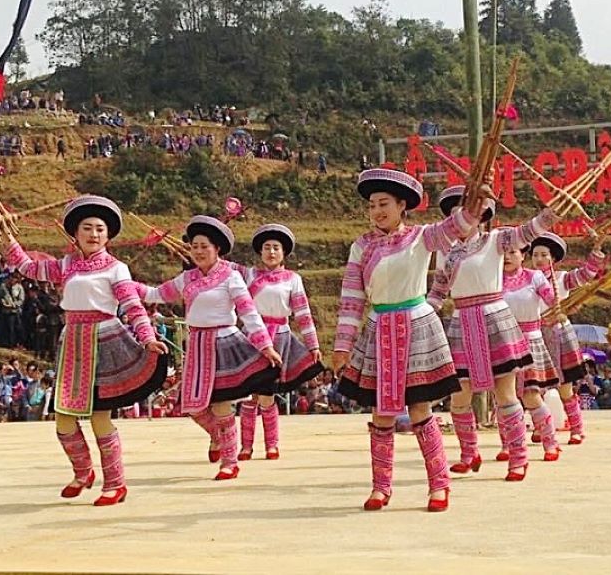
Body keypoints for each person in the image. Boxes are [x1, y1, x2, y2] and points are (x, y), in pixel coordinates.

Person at [1, 195, 168, 505]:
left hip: (105, 341)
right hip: (72, 343)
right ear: (75, 233)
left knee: (99, 418)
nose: (93, 234)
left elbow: (132, 306)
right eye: (87, 228)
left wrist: (147, 338)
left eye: (100, 229)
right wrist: (11, 243)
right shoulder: (65, 266)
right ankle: (83, 472)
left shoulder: (117, 269)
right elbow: (27, 267)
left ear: (108, 235)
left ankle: (115, 484)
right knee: (63, 419)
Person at [333, 169, 473, 512]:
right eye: (372, 205)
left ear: (401, 207)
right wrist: (341, 345)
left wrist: (476, 199)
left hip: (416, 326)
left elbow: (458, 226)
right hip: (379, 328)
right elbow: (352, 298)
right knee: (381, 414)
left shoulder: (422, 238)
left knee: (420, 410)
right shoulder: (361, 246)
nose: (377, 211)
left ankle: (439, 486)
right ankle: (381, 488)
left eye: (384, 204)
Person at [427, 185, 560, 482]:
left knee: (506, 394)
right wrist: (420, 316)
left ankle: (518, 457)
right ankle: (468, 453)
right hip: (461, 323)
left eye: (463, 212)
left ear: (480, 215)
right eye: (453, 214)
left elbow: (527, 231)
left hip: (495, 320)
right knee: (459, 398)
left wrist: (549, 216)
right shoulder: (446, 252)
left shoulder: (496, 241)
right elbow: (438, 291)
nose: (458, 219)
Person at [141, 215, 282, 481]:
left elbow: (248, 313)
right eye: (194, 246)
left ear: (217, 248)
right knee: (192, 407)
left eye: (204, 246)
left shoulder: (231, 277)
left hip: (224, 344)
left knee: (220, 405)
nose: (199, 251)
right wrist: (123, 286)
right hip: (197, 346)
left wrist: (265, 346)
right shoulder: (187, 278)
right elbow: (156, 294)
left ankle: (230, 461)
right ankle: (219, 436)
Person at [231, 224, 324, 461]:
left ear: (283, 253)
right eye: (266, 248)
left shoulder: (293, 279)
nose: (271, 252)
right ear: (260, 252)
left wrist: (313, 345)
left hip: (280, 336)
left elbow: (303, 314)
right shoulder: (248, 274)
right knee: (249, 393)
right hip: (253, 337)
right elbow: (220, 266)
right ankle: (246, 446)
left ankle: (271, 444)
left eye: (276, 248)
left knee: (267, 393)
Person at [528, 232, 606, 443]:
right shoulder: (525, 279)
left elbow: (586, 274)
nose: (539, 259)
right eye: (535, 255)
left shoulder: (562, 278)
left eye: (544, 255)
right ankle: (541, 428)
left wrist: (596, 252)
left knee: (565, 386)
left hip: (560, 332)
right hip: (536, 333)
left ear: (553, 258)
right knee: (537, 387)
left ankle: (576, 428)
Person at [498, 245, 562, 462]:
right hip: (503, 342)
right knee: (504, 396)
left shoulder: (535, 277)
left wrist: (554, 296)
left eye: (513, 252)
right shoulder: (492, 281)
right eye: (503, 252)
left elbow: (551, 299)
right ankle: (508, 443)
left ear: (522, 255)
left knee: (531, 395)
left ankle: (550, 442)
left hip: (530, 341)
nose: (507, 256)